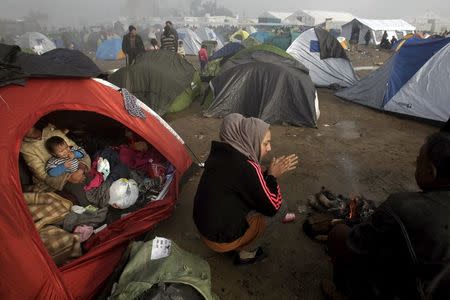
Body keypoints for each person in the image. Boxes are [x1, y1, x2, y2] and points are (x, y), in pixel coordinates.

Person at [324, 132, 450, 300]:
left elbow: (357, 242)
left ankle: (342, 292)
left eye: (418, 160)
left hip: (413, 291)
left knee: (338, 234)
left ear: (430, 172)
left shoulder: (403, 206)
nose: (415, 163)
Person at [193, 113, 298, 265]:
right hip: (219, 240)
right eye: (265, 143)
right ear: (251, 140)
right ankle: (247, 254)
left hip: (204, 228)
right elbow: (273, 206)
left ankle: (233, 241)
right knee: (282, 208)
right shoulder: (247, 167)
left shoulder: (220, 152)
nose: (269, 148)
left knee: (258, 193)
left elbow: (245, 181)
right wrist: (273, 176)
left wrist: (266, 174)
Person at [20, 124, 91, 206]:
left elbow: (80, 151)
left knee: (94, 182)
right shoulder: (26, 148)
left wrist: (80, 169)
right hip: (56, 181)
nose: (65, 151)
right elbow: (43, 175)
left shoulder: (53, 132)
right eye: (61, 151)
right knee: (84, 198)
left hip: (78, 169)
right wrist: (69, 177)